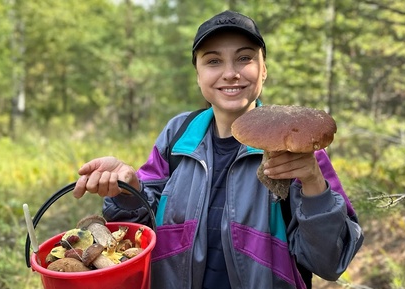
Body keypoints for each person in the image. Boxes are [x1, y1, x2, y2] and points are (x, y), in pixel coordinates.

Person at [72, 10, 363, 289]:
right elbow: (139, 235)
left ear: (264, 70)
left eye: (244, 58)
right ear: (198, 74)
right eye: (213, 61)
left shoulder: (295, 148)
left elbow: (331, 262)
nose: (230, 73)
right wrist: (128, 191)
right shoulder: (178, 134)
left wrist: (313, 184)